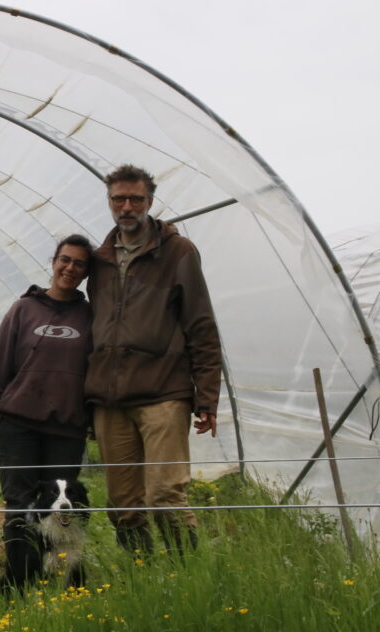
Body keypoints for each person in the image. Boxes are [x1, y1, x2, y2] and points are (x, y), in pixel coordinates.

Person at [85, 164, 222, 556]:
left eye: (135, 199)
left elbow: (201, 326)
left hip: (163, 392)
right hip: (111, 400)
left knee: (164, 494)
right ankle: (142, 576)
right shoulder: (101, 259)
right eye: (119, 199)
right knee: (123, 506)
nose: (127, 206)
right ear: (109, 201)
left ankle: (188, 575)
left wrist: (207, 397)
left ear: (150, 201)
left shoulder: (177, 252)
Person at [0, 234, 94, 588]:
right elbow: (0, 360)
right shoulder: (24, 309)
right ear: (54, 261)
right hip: (18, 426)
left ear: (87, 272)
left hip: (66, 429)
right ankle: (19, 583)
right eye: (65, 260)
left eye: (79, 264)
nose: (70, 268)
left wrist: (90, 419)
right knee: (19, 505)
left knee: (62, 506)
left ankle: (62, 578)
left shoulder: (90, 316)